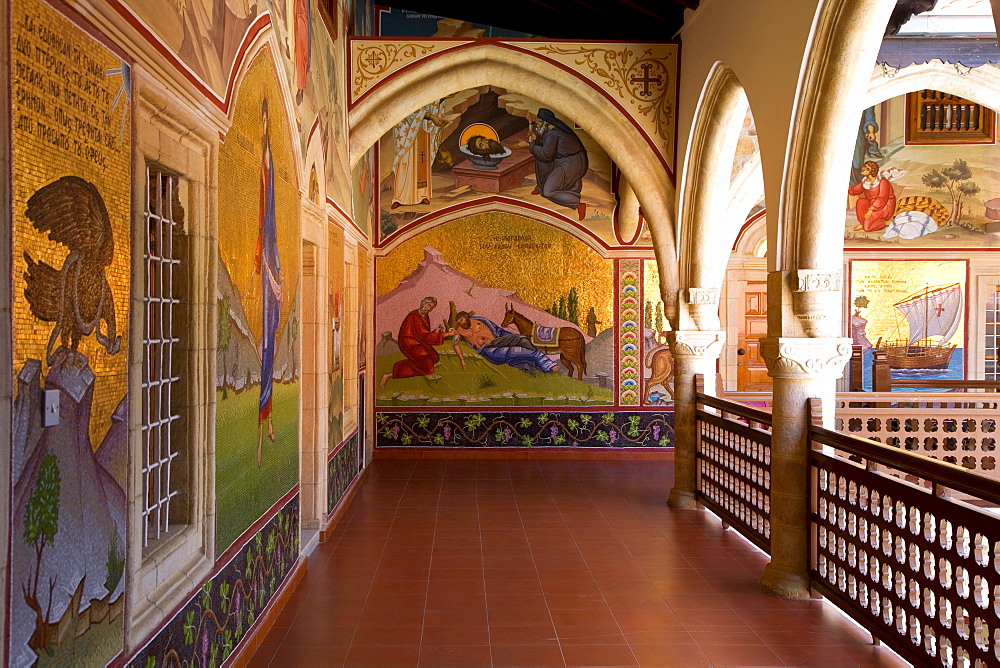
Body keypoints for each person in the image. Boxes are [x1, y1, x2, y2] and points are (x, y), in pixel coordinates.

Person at [255, 98, 283, 466]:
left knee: (270, 343)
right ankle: (265, 415)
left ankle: (268, 413)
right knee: (266, 345)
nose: (263, 125)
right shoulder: (266, 164)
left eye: (265, 120)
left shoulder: (271, 164)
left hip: (270, 258)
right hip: (267, 258)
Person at [514, 108, 589, 220]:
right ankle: (540, 187)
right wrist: (536, 138)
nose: (537, 124)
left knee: (548, 192)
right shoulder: (553, 131)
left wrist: (528, 145)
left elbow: (546, 155)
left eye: (539, 121)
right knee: (539, 160)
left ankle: (577, 204)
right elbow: (547, 148)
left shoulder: (553, 134)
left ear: (546, 123)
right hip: (567, 160)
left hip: (571, 164)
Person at [380, 297, 455, 387]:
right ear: (423, 304)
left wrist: (436, 331)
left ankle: (417, 362)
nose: (429, 309)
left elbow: (424, 334)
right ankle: (390, 374)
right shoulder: (414, 316)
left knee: (434, 357)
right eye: (429, 305)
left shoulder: (425, 316)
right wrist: (446, 334)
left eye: (432, 307)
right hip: (409, 344)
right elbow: (423, 336)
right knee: (428, 369)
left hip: (419, 341)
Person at [452, 312, 557, 375]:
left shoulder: (480, 320)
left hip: (499, 340)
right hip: (490, 350)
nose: (461, 323)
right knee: (518, 351)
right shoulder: (459, 330)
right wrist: (462, 360)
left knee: (523, 340)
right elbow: (455, 344)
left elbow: (498, 330)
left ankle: (539, 365)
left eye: (462, 320)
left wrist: (511, 336)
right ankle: (547, 364)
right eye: (459, 322)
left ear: (466, 316)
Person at [390, 101, 448, 208]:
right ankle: (399, 197)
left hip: (422, 128)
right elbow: (408, 108)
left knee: (422, 159)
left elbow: (433, 107)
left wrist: (437, 118)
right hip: (406, 129)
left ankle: (422, 195)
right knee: (404, 161)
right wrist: (431, 117)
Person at [848, 160, 896, 233]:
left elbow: (882, 198)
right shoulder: (865, 182)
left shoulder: (883, 182)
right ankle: (864, 223)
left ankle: (884, 223)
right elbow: (854, 190)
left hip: (885, 207)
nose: (863, 169)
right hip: (872, 206)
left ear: (872, 172)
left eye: (867, 169)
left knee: (867, 228)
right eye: (864, 166)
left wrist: (870, 210)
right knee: (860, 202)